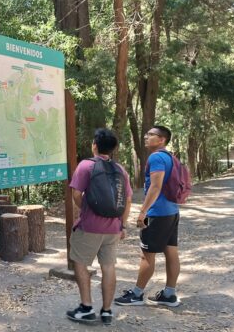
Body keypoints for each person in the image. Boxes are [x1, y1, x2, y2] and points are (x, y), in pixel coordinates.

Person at [66, 128, 133, 325]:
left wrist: (85, 208)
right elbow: (127, 200)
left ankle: (86, 308)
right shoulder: (120, 170)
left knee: (80, 263)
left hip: (90, 227)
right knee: (109, 267)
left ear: (94, 145)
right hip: (113, 228)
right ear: (113, 149)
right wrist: (122, 225)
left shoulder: (86, 165)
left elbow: (76, 194)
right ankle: (106, 310)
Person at [114, 125, 182, 307]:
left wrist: (143, 211)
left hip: (158, 213)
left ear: (162, 140)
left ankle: (136, 295)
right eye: (146, 134)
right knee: (171, 251)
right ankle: (169, 294)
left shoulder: (157, 157)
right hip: (172, 210)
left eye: (151, 135)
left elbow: (155, 186)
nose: (146, 136)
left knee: (147, 255)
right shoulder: (170, 157)